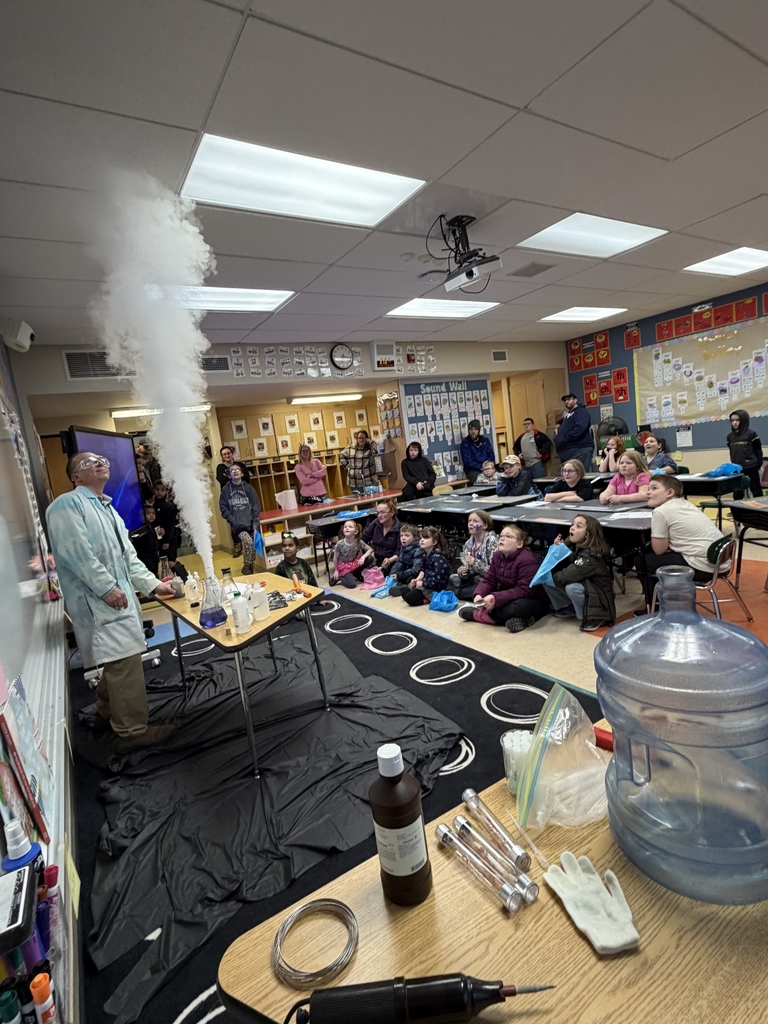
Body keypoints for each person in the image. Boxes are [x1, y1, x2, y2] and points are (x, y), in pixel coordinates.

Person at [46, 452, 175, 747]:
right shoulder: (67, 505)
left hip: (117, 601)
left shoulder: (108, 510)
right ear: (75, 477)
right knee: (124, 662)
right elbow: (77, 555)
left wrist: (154, 586)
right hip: (99, 603)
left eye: (101, 459)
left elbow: (129, 559)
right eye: (89, 462)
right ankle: (132, 732)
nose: (99, 462)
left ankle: (105, 714)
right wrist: (106, 588)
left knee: (118, 662)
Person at [458, 525, 547, 632]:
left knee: (516, 607)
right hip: (506, 595)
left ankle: (478, 615)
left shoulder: (527, 559)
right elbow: (489, 580)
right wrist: (478, 595)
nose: (502, 538)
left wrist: (496, 598)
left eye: (508, 536)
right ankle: (515, 620)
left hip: (531, 599)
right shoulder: (497, 556)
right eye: (501, 536)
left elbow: (524, 590)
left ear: (519, 544)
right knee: (480, 592)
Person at [644, 475, 726, 583]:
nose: (648, 492)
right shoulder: (686, 504)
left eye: (654, 488)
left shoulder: (661, 512)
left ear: (670, 492)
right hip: (722, 562)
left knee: (642, 559)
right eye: (648, 488)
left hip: (703, 567)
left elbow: (659, 550)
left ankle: (656, 599)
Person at [542, 515, 615, 632]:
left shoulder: (592, 555)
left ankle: (595, 616)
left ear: (587, 534)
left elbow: (567, 575)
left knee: (571, 587)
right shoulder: (572, 546)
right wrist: (557, 550)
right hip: (584, 586)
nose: (572, 528)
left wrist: (550, 577)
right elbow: (550, 567)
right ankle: (570, 607)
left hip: (600, 599)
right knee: (547, 578)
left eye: (578, 526)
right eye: (572, 524)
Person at [219, 464, 261, 574]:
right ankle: (247, 565)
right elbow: (223, 507)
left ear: (242, 473)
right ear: (229, 475)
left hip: (251, 523)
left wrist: (256, 521)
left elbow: (256, 506)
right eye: (232, 470)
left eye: (237, 469)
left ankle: (251, 567)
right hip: (237, 525)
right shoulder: (226, 490)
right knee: (248, 542)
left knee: (253, 545)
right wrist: (232, 519)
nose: (235, 471)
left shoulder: (249, 489)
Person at [449, 510, 498, 601]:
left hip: (488, 581)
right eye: (469, 521)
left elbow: (494, 572)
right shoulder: (469, 544)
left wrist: (475, 563)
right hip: (474, 579)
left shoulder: (492, 541)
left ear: (485, 525)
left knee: (456, 592)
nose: (471, 524)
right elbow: (469, 571)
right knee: (451, 579)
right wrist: (463, 572)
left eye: (475, 521)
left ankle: (466, 594)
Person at [132, 502, 188, 581]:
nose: (151, 515)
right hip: (146, 558)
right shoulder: (141, 529)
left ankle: (185, 578)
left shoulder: (154, 527)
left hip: (154, 556)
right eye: (148, 513)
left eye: (153, 513)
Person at [401, 527, 451, 606]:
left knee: (409, 598)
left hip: (435, 588)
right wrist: (416, 580)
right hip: (427, 583)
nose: (422, 540)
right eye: (421, 538)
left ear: (434, 542)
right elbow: (423, 570)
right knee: (404, 593)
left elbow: (438, 581)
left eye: (426, 538)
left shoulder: (438, 558)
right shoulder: (425, 554)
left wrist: (422, 583)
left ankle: (427, 600)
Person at [727, 409, 763, 498]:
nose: (734, 423)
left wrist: (758, 464)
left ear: (743, 420)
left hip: (751, 466)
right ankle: (738, 511)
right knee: (737, 491)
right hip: (737, 468)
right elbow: (731, 449)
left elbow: (758, 449)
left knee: (756, 489)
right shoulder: (730, 436)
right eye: (732, 420)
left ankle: (759, 510)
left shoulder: (752, 434)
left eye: (737, 420)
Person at [330, 520, 374, 588]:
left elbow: (370, 549)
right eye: (345, 527)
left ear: (355, 532)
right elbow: (335, 558)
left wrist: (363, 557)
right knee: (352, 585)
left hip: (354, 562)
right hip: (343, 566)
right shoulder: (339, 544)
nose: (347, 528)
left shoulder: (358, 541)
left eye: (350, 527)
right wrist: (336, 570)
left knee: (370, 558)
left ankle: (356, 572)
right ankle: (340, 576)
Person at [556, 393, 594, 471]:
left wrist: (565, 438)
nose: (566, 401)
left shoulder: (581, 411)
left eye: (569, 399)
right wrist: (559, 423)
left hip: (579, 449)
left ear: (575, 400)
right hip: (568, 450)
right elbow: (567, 422)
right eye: (565, 400)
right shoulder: (569, 414)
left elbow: (580, 428)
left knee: (579, 474)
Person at [362, 498, 401, 570]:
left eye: (382, 512)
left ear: (392, 513)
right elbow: (363, 539)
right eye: (378, 513)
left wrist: (389, 560)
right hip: (379, 562)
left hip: (394, 562)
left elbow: (400, 551)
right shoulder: (376, 523)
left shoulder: (399, 528)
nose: (379, 515)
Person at [152, 480, 181, 561]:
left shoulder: (168, 507)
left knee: (170, 561)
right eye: (157, 489)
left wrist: (166, 541)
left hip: (169, 539)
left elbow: (170, 525)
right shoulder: (154, 505)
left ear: (166, 492)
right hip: (159, 537)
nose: (159, 492)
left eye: (162, 490)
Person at [389, 522, 423, 591]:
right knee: (392, 570)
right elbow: (400, 561)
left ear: (414, 538)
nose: (403, 538)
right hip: (406, 570)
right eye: (401, 536)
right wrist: (392, 574)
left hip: (416, 574)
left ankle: (405, 587)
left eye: (407, 536)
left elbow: (416, 570)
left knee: (410, 578)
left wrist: (400, 576)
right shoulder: (404, 546)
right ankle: (400, 584)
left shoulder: (419, 550)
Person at [460, 420, 496, 484]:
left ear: (479, 430)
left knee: (497, 476)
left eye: (475, 429)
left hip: (488, 467)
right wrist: (482, 468)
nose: (473, 431)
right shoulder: (465, 443)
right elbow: (468, 462)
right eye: (471, 429)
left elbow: (491, 456)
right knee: (479, 479)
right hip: (473, 470)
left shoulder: (485, 441)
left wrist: (488, 467)